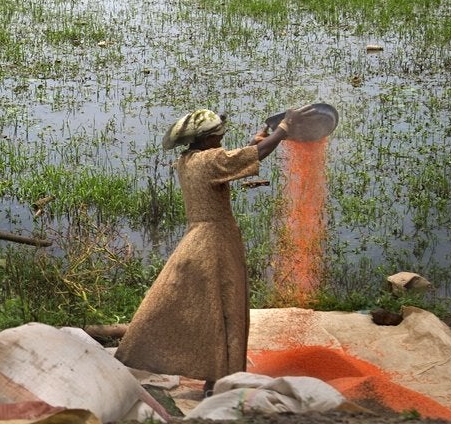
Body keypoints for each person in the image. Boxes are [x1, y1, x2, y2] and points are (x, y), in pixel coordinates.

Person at [114, 105, 311, 394]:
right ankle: (220, 379)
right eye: (218, 136)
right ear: (205, 140)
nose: (221, 139)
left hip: (198, 237)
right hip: (217, 240)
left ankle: (212, 376)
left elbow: (235, 159)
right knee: (227, 307)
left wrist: (256, 143)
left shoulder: (187, 160)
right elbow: (252, 156)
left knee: (207, 308)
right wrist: (283, 129)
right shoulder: (211, 160)